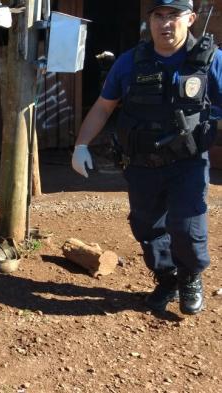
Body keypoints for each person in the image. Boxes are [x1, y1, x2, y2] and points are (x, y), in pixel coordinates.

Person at [72, 0, 222, 315]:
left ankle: (190, 277)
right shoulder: (129, 63)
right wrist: (81, 145)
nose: (165, 23)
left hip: (188, 163)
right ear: (150, 20)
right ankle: (167, 278)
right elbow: (103, 107)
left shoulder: (210, 60)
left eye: (174, 15)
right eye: (158, 15)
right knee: (147, 227)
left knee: (186, 224)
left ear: (191, 18)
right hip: (141, 164)